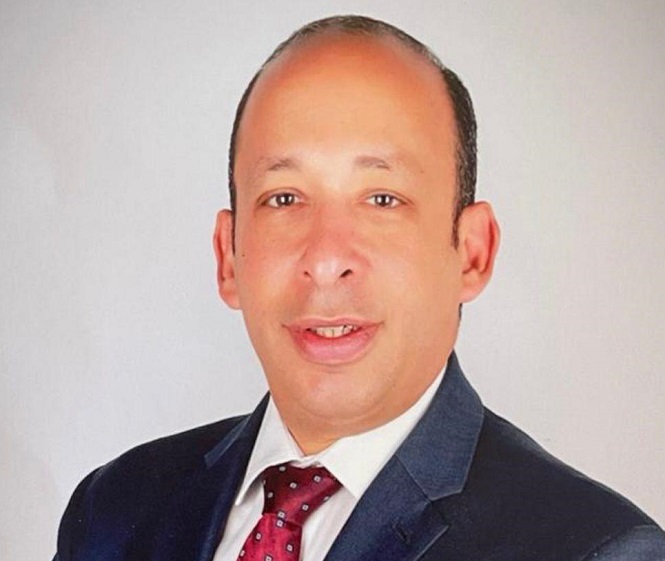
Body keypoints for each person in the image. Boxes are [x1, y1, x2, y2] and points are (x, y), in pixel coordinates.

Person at [53, 15, 665, 561]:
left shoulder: (596, 550)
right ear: (228, 256)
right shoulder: (114, 509)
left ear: (472, 253)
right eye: (284, 199)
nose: (326, 260)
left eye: (382, 199)